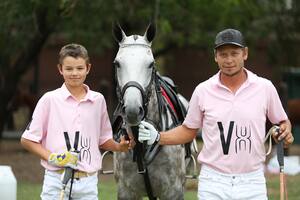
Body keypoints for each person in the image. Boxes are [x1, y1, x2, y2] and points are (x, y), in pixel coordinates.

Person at [138, 29, 294, 199]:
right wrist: (157, 137)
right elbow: (188, 130)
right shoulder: (203, 90)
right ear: (215, 56)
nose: (229, 60)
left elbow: (282, 121)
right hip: (213, 182)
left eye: (234, 53)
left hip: (252, 181)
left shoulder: (265, 88)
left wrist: (285, 131)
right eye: (223, 54)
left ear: (245, 54)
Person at [20, 43, 133, 200]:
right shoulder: (49, 100)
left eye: (80, 68)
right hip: (56, 180)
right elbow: (27, 140)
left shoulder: (98, 100)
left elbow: (103, 139)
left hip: (88, 182)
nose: (75, 73)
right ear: (60, 69)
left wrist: (118, 147)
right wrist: (53, 157)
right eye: (69, 69)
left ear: (88, 68)